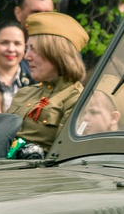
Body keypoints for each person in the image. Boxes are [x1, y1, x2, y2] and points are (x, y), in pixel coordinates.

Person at [9, 12, 89, 152]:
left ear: (56, 53)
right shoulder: (25, 93)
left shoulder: (76, 100)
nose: (27, 56)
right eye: (27, 49)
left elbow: (62, 155)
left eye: (34, 49)